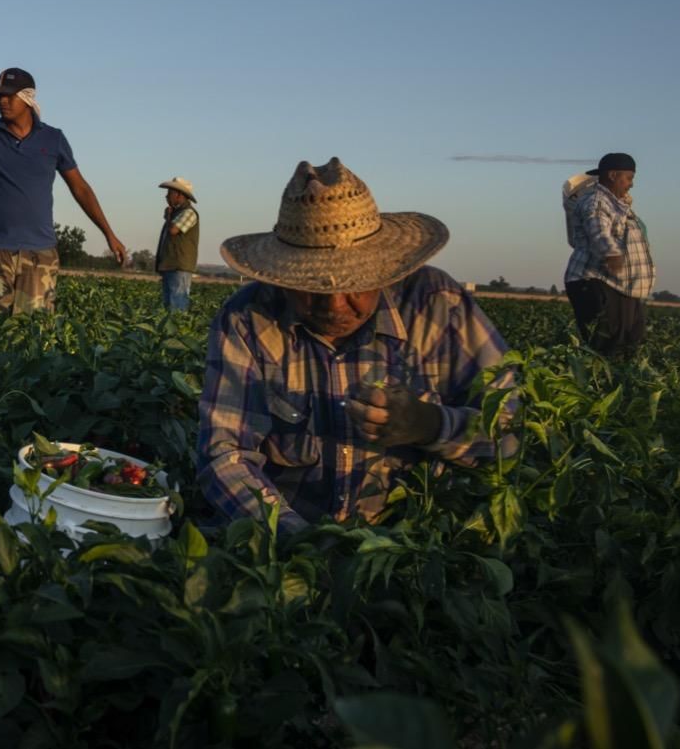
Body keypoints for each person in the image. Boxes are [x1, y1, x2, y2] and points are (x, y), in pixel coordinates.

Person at [196, 158, 512, 533]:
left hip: (414, 545)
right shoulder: (248, 318)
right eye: (313, 286)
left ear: (386, 269)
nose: (335, 304)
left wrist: (428, 425)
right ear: (283, 278)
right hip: (288, 537)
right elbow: (226, 455)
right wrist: (298, 543)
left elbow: (513, 435)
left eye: (355, 281)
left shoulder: (439, 307)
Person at [0, 56, 127, 325]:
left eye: (9, 96)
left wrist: (109, 234)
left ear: (27, 98)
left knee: (33, 335)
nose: (2, 101)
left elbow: (80, 188)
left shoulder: (53, 139)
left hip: (40, 254)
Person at [563, 153, 654, 357]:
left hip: (619, 284)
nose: (631, 184)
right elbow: (597, 228)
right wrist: (611, 253)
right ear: (613, 175)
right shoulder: (596, 201)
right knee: (606, 346)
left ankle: (619, 385)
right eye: (628, 178)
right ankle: (596, 386)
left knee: (630, 341)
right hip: (596, 281)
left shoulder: (617, 204)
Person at [155, 177, 200, 311]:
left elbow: (173, 230)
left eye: (169, 193)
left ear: (179, 195)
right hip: (170, 265)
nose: (166, 196)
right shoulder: (177, 213)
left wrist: (168, 217)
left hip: (179, 266)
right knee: (169, 305)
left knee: (177, 305)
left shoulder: (189, 212)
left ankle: (177, 331)